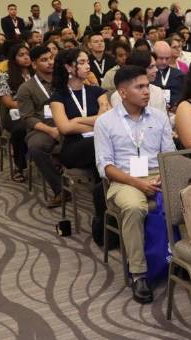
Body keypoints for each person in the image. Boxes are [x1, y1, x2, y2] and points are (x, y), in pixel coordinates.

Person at [94, 65, 177, 303]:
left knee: (186, 199)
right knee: (133, 208)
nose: (146, 91)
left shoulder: (159, 117)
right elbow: (106, 167)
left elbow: (169, 155)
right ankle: (139, 273)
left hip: (158, 174)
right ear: (122, 92)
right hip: (124, 179)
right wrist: (137, 183)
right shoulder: (105, 122)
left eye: (147, 86)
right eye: (139, 87)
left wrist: (161, 176)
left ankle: (185, 261)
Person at [50, 49, 110, 213]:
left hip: (98, 143)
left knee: (101, 147)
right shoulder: (58, 97)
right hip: (73, 148)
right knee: (98, 144)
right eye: (82, 62)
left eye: (88, 62)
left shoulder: (97, 91)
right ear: (69, 67)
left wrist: (77, 120)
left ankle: (104, 198)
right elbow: (64, 128)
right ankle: (105, 201)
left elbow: (107, 120)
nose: (88, 66)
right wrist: (96, 122)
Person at [17, 46, 66, 206]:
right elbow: (27, 117)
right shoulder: (26, 88)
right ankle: (60, 190)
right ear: (34, 64)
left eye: (51, 58)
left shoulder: (64, 81)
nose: (50, 62)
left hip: (67, 122)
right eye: (44, 60)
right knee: (36, 148)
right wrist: (50, 130)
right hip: (42, 127)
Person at [0, 43, 31, 181]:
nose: (26, 57)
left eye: (28, 54)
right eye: (21, 55)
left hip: (37, 112)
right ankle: (19, 166)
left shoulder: (37, 74)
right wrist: (29, 107)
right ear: (13, 58)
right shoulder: (3, 77)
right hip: (14, 113)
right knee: (21, 129)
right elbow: (8, 102)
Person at [152, 41, 185, 110]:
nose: (164, 62)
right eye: (161, 58)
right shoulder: (148, 75)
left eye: (167, 58)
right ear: (153, 57)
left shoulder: (179, 75)